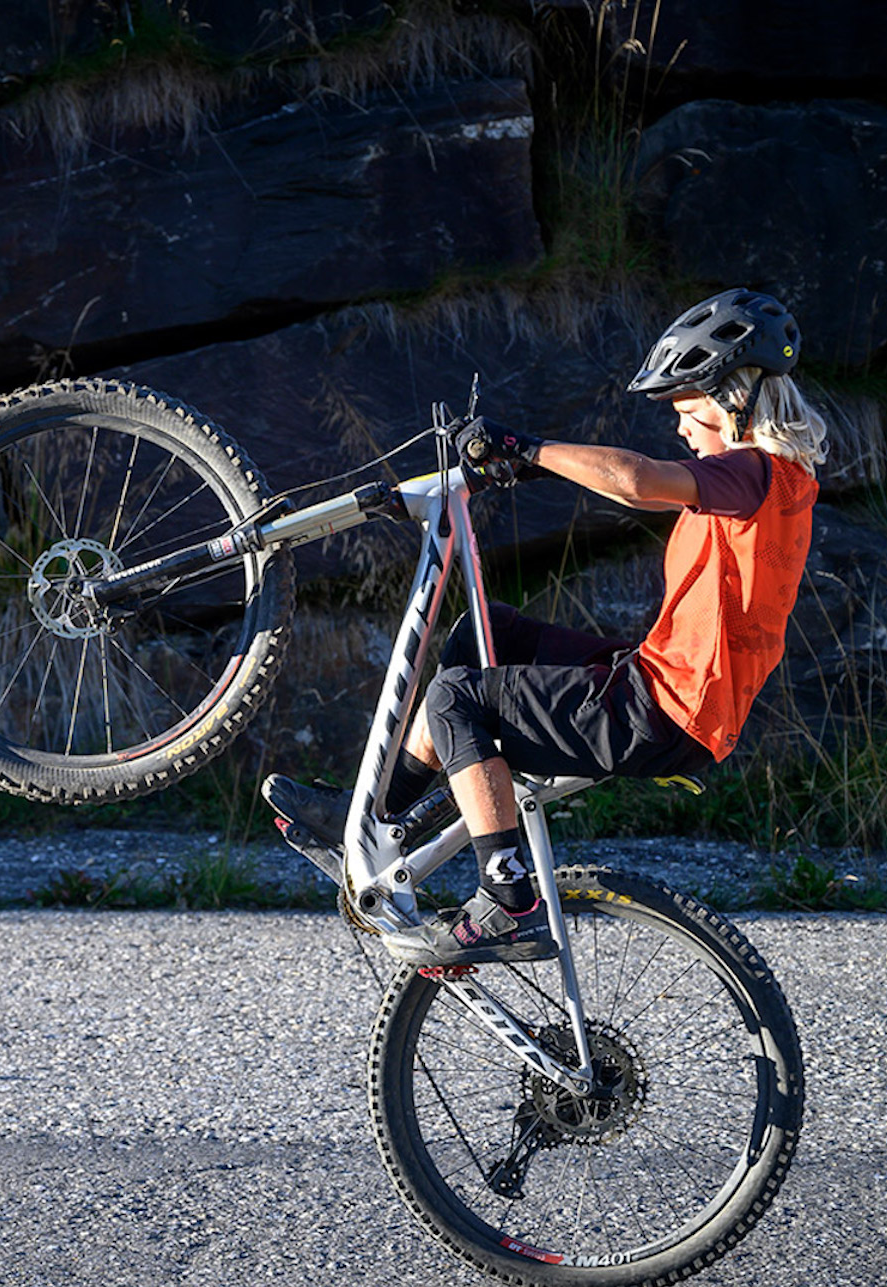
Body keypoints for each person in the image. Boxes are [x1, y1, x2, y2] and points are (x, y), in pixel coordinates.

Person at [264, 287, 828, 967]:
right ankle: (377, 817)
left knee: (456, 698)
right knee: (488, 633)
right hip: (656, 680)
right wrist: (523, 467)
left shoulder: (757, 475)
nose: (681, 429)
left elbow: (635, 479)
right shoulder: (761, 482)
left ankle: (508, 900)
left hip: (666, 713)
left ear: (734, 399)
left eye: (687, 410)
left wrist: (529, 449)